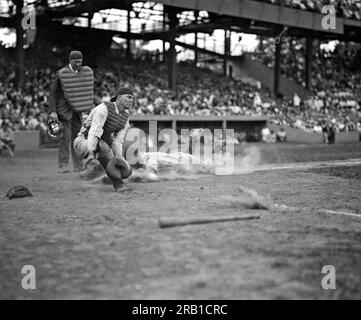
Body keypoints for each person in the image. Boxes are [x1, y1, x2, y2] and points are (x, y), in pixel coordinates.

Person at [73, 88, 134, 192]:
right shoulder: (103, 109)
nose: (131, 100)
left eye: (132, 98)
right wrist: (91, 152)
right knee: (103, 146)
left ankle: (97, 171)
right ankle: (118, 183)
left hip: (101, 145)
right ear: (119, 98)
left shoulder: (125, 116)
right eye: (129, 97)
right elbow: (94, 132)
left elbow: (117, 141)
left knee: (111, 152)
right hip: (83, 142)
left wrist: (119, 158)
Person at [48, 50, 94, 173]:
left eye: (80, 62)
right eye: (76, 62)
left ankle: (78, 166)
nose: (78, 64)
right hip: (63, 111)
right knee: (66, 138)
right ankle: (63, 165)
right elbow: (52, 93)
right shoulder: (61, 74)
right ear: (70, 60)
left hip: (77, 112)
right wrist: (53, 111)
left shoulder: (83, 73)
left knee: (78, 139)